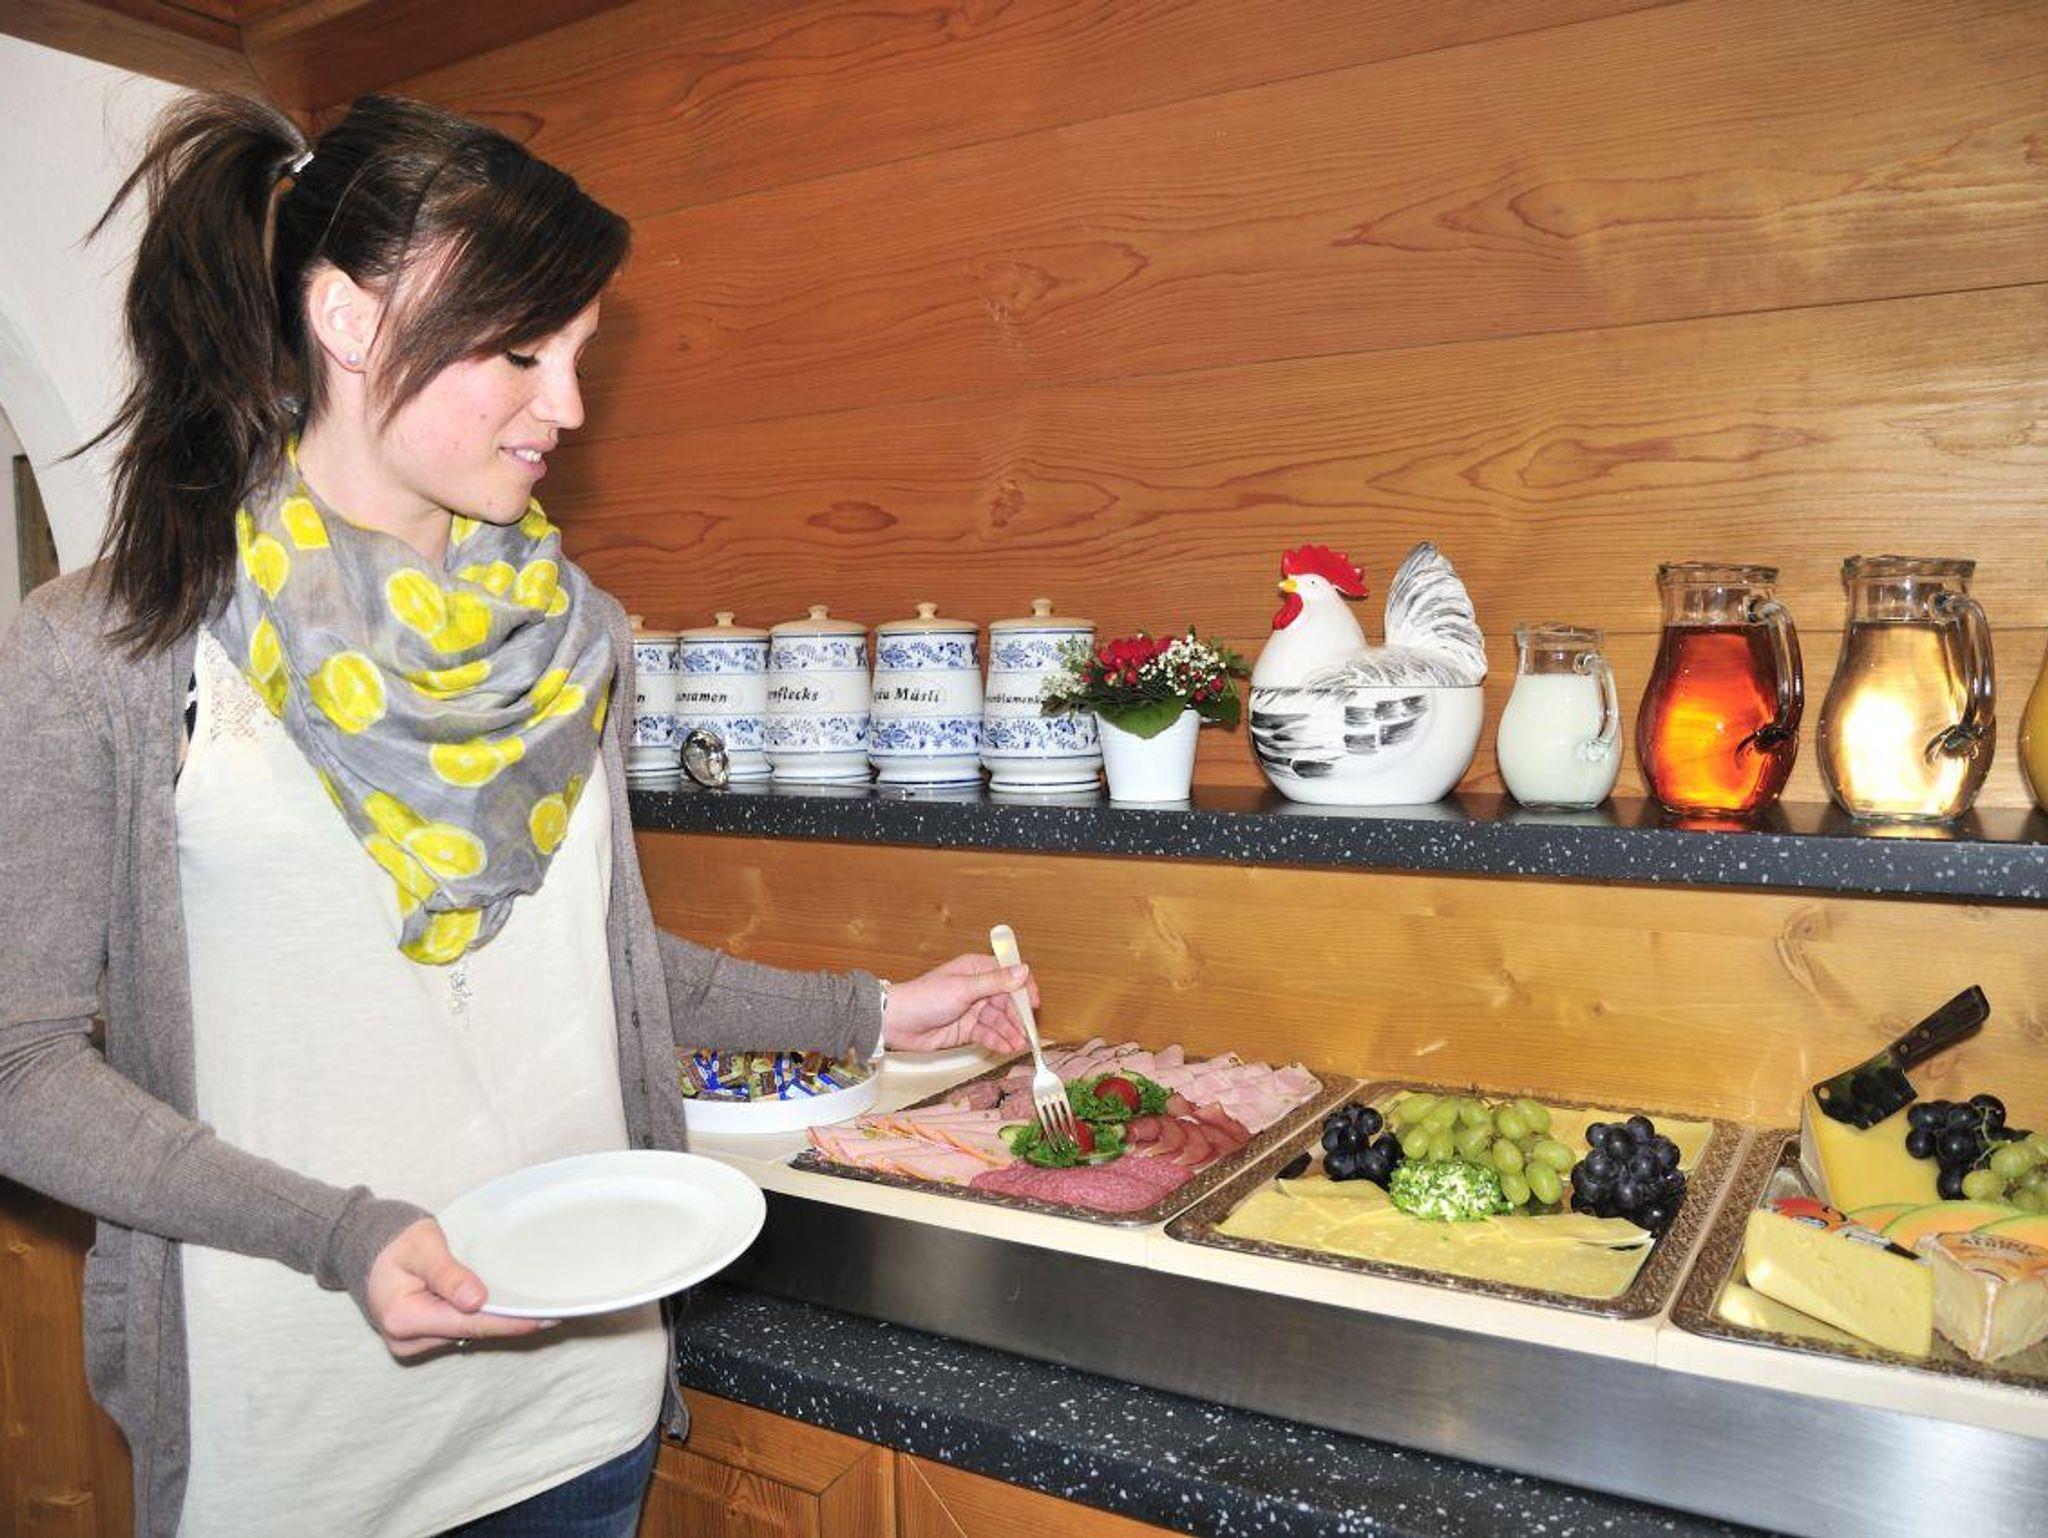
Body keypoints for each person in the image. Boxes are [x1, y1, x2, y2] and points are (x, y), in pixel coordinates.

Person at [0, 91, 1034, 1538]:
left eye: (580, 352)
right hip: (302, 1440)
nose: (571, 407)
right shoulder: (108, 652)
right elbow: (20, 1068)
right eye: (522, 351)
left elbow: (592, 963)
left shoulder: (572, 636)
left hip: (577, 1411)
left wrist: (870, 1012)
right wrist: (339, 1233)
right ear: (349, 321)